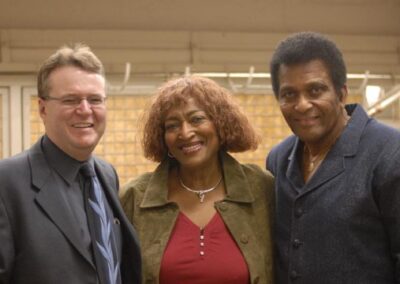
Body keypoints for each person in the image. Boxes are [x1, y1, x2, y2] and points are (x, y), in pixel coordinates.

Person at [0, 43, 141, 284]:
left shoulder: (106, 175)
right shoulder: (7, 182)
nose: (85, 110)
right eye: (70, 100)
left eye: (95, 99)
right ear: (43, 109)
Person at [266, 31, 400, 283]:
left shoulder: (389, 153)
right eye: (289, 94)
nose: (302, 104)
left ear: (341, 93)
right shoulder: (278, 159)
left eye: (315, 90)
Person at [121, 75, 275, 284]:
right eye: (172, 126)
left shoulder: (261, 188)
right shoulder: (134, 198)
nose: (185, 133)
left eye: (197, 119)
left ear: (220, 124)